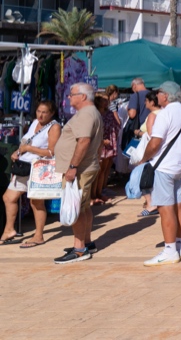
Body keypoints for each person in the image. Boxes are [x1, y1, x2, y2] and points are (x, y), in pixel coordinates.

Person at [137, 82, 181, 267]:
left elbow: (155, 143)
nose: (157, 96)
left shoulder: (165, 114)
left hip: (165, 167)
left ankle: (170, 250)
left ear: (166, 95)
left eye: (159, 93)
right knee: (180, 205)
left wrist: (143, 158)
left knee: (166, 208)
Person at [52, 83, 104, 264]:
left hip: (79, 169)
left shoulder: (86, 114)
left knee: (77, 208)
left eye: (71, 94)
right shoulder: (90, 113)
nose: (68, 97)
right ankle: (87, 243)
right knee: (84, 207)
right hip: (85, 167)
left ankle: (80, 248)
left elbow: (83, 141)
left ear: (82, 97)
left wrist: (73, 166)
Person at [1, 101, 59, 248]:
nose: (40, 114)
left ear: (51, 113)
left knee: (36, 202)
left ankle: (39, 235)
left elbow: (52, 151)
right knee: (9, 197)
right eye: (39, 111)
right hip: (24, 166)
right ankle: (9, 229)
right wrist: (19, 151)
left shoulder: (54, 127)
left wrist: (29, 149)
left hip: (39, 168)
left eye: (44, 112)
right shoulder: (34, 123)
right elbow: (25, 142)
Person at [93, 94, 120, 204]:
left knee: (104, 169)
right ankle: (95, 194)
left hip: (109, 142)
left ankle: (101, 191)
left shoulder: (109, 113)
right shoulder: (94, 113)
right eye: (103, 100)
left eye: (106, 100)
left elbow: (116, 126)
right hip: (99, 144)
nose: (105, 102)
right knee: (98, 171)